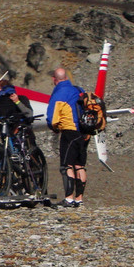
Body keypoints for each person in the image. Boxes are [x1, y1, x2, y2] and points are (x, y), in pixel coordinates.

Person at [45, 67, 88, 207]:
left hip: (69, 131)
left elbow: (52, 118)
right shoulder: (79, 89)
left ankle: (69, 198)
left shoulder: (59, 93)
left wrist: (55, 128)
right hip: (84, 131)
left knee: (66, 165)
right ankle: (79, 199)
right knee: (80, 166)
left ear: (54, 79)